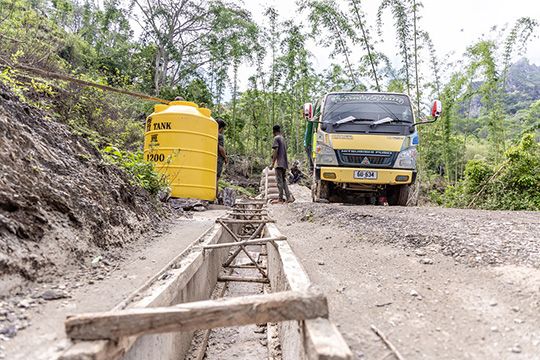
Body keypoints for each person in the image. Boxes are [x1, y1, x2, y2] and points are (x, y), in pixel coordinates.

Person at [269, 125, 293, 204]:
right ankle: (288, 197)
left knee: (279, 181)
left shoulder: (276, 138)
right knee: (284, 181)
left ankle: (280, 199)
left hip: (279, 163)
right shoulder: (283, 139)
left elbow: (276, 150)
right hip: (284, 163)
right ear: (280, 130)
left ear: (273, 132)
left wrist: (272, 163)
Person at [216, 118, 227, 198]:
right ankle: (214, 196)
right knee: (216, 178)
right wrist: (225, 158)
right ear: (221, 128)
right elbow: (220, 148)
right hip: (218, 159)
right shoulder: (219, 136)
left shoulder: (210, 134)